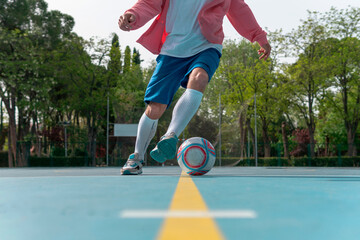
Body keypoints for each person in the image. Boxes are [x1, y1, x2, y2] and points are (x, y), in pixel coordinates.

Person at [118, 0, 271, 175]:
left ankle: (171, 134)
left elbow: (239, 9)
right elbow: (148, 3)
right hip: (172, 50)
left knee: (200, 77)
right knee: (155, 107)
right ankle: (136, 158)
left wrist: (259, 37)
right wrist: (133, 16)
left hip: (207, 45)